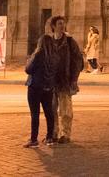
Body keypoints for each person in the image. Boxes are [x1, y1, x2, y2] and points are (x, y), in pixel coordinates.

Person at [45, 16, 83, 144]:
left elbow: (78, 60)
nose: (62, 26)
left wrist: (74, 78)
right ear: (54, 26)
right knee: (51, 109)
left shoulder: (70, 42)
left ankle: (65, 134)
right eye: (60, 24)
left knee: (65, 109)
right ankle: (53, 133)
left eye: (63, 24)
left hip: (65, 81)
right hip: (51, 81)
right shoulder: (49, 41)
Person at [23, 34, 56, 148]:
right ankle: (50, 137)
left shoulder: (38, 55)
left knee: (35, 114)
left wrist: (30, 59)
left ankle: (33, 139)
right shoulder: (54, 56)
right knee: (49, 113)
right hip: (48, 87)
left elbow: (28, 69)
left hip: (35, 87)